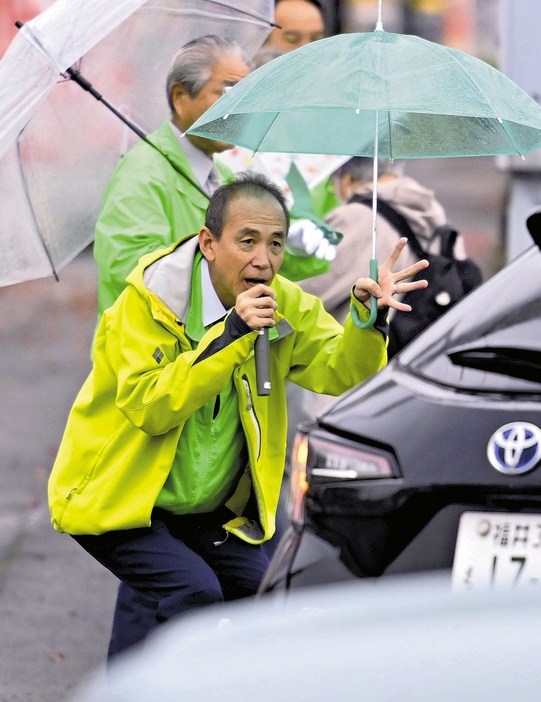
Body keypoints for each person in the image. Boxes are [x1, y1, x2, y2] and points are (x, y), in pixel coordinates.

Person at [48, 173, 429, 658]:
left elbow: (341, 373)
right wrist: (231, 336)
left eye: (274, 244)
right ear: (208, 243)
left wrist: (367, 318)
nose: (262, 260)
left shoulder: (283, 303)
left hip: (206, 509)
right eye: (246, 241)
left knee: (263, 596)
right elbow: (153, 406)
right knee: (193, 593)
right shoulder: (150, 302)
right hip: (118, 498)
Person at [93, 34, 327, 324]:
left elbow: (256, 270)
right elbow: (136, 275)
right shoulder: (142, 174)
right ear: (180, 97)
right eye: (226, 94)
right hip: (152, 357)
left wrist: (286, 247)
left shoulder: (224, 173)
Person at [300, 156, 467, 323]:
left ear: (347, 178)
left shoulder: (355, 217)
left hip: (366, 342)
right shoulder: (434, 212)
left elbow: (308, 296)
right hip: (424, 342)